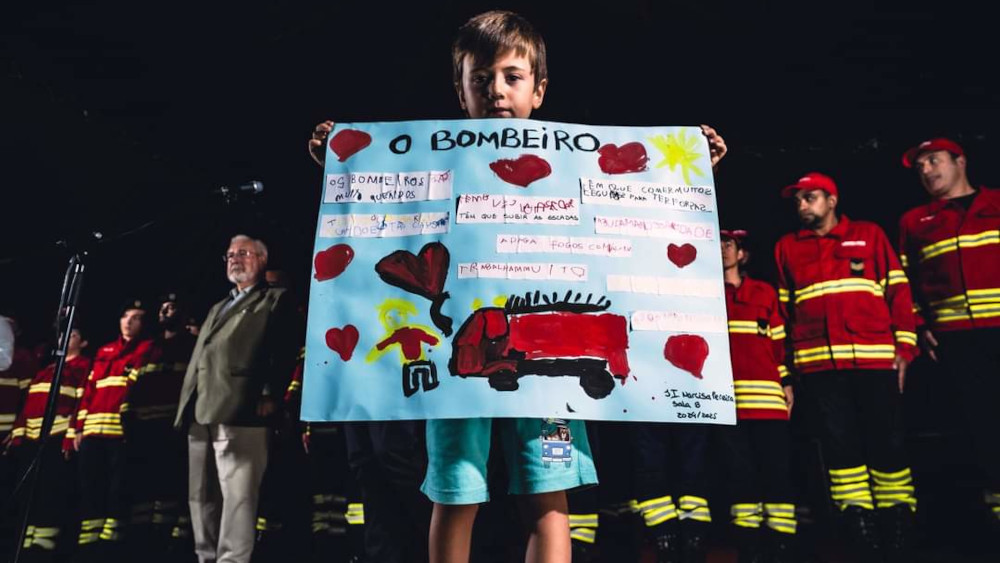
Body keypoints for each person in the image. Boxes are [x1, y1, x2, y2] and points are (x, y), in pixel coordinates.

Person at [308, 11, 727, 563]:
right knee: (454, 495)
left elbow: (632, 209)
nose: (497, 91)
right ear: (460, 92)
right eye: (480, 79)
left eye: (512, 76)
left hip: (546, 370)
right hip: (463, 359)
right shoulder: (433, 159)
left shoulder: (570, 163)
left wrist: (691, 168)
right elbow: (384, 209)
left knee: (548, 498)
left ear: (539, 88)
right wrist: (342, 163)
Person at [774, 172, 918, 562]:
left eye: (811, 197)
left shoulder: (869, 235)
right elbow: (784, 313)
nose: (802, 205)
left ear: (832, 200)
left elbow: (898, 290)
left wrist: (905, 346)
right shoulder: (787, 247)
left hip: (873, 359)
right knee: (839, 446)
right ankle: (858, 522)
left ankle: (898, 517)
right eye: (798, 200)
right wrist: (789, 369)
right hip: (818, 366)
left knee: (886, 440)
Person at [174, 234, 300, 563]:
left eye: (243, 253)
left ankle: (233, 560)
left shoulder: (274, 299)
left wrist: (270, 394)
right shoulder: (220, 305)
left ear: (261, 259)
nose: (234, 259)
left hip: (243, 408)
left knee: (237, 497)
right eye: (229, 254)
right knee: (200, 497)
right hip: (202, 410)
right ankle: (206, 557)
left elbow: (282, 349)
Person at [897, 138, 1000, 530]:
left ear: (960, 161)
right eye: (919, 166)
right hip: (957, 340)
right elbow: (905, 281)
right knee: (982, 426)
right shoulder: (915, 221)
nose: (926, 170)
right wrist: (921, 327)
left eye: (933, 160)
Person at [714, 229, 797, 562]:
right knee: (740, 479)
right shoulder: (704, 295)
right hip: (728, 406)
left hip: (769, 404)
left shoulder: (764, 292)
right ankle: (749, 549)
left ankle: (783, 547)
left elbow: (779, 345)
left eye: (728, 244)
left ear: (742, 253)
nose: (721, 250)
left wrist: (786, 381)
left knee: (778, 475)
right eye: (716, 244)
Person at [70, 299, 160, 562]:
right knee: (90, 488)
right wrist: (78, 428)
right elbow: (89, 391)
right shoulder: (105, 350)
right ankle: (89, 543)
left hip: (121, 434)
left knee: (118, 489)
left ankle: (112, 546)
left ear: (144, 324)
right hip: (91, 434)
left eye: (136, 317)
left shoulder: (148, 349)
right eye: (125, 316)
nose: (129, 321)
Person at [5, 326, 91, 562]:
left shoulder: (83, 368)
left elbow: (81, 403)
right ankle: (28, 537)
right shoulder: (48, 370)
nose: (65, 338)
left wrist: (71, 434)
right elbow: (28, 404)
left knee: (51, 492)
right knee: (30, 492)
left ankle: (45, 543)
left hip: (55, 438)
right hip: (33, 440)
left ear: (83, 343)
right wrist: (18, 433)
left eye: (73, 335)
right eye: (64, 334)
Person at [127, 292, 197, 555]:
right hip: (145, 427)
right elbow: (132, 387)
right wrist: (128, 417)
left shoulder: (191, 345)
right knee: (144, 486)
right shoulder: (148, 347)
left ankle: (169, 544)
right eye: (163, 307)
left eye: (171, 307)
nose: (165, 311)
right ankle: (142, 541)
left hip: (174, 426)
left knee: (172, 484)